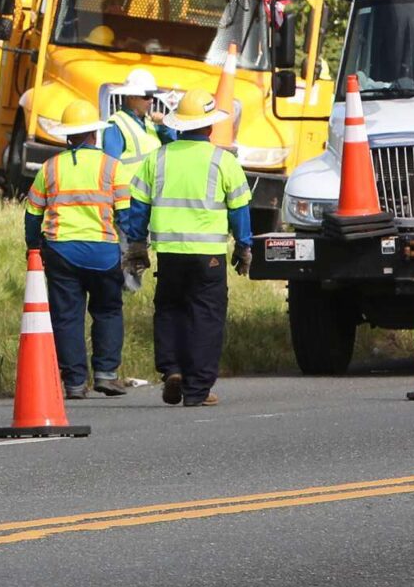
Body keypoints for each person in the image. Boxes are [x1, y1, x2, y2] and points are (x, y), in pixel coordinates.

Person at [122, 92, 254, 408]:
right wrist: (243, 246)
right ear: (209, 127)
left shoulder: (158, 158)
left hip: (169, 253)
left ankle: (172, 369)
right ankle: (197, 389)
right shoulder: (223, 161)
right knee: (206, 318)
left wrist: (138, 244)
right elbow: (239, 210)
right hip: (208, 255)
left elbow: (137, 206)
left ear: (179, 126)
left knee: (170, 310)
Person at [24, 97, 133, 400]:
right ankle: (106, 375)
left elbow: (33, 214)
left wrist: (33, 246)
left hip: (61, 252)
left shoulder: (49, 168)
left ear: (68, 135)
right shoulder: (113, 168)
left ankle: (74, 383)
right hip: (103, 252)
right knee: (108, 311)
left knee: (68, 316)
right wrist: (132, 249)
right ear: (94, 134)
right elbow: (126, 216)